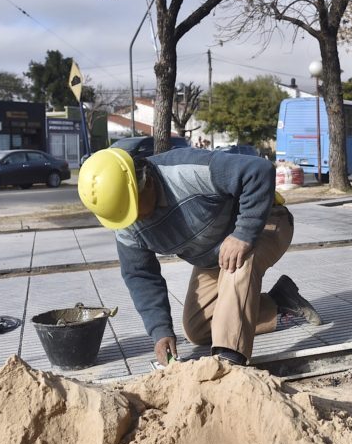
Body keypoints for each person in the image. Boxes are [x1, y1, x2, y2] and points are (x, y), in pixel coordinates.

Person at [78, 146, 322, 367]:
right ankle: (281, 302)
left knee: (237, 265)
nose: (132, 221)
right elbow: (140, 275)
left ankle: (229, 365)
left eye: (132, 210)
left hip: (265, 224)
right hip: (216, 256)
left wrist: (243, 234)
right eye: (123, 216)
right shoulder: (126, 223)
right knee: (197, 329)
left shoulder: (185, 170)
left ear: (145, 182)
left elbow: (258, 171)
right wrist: (160, 331)